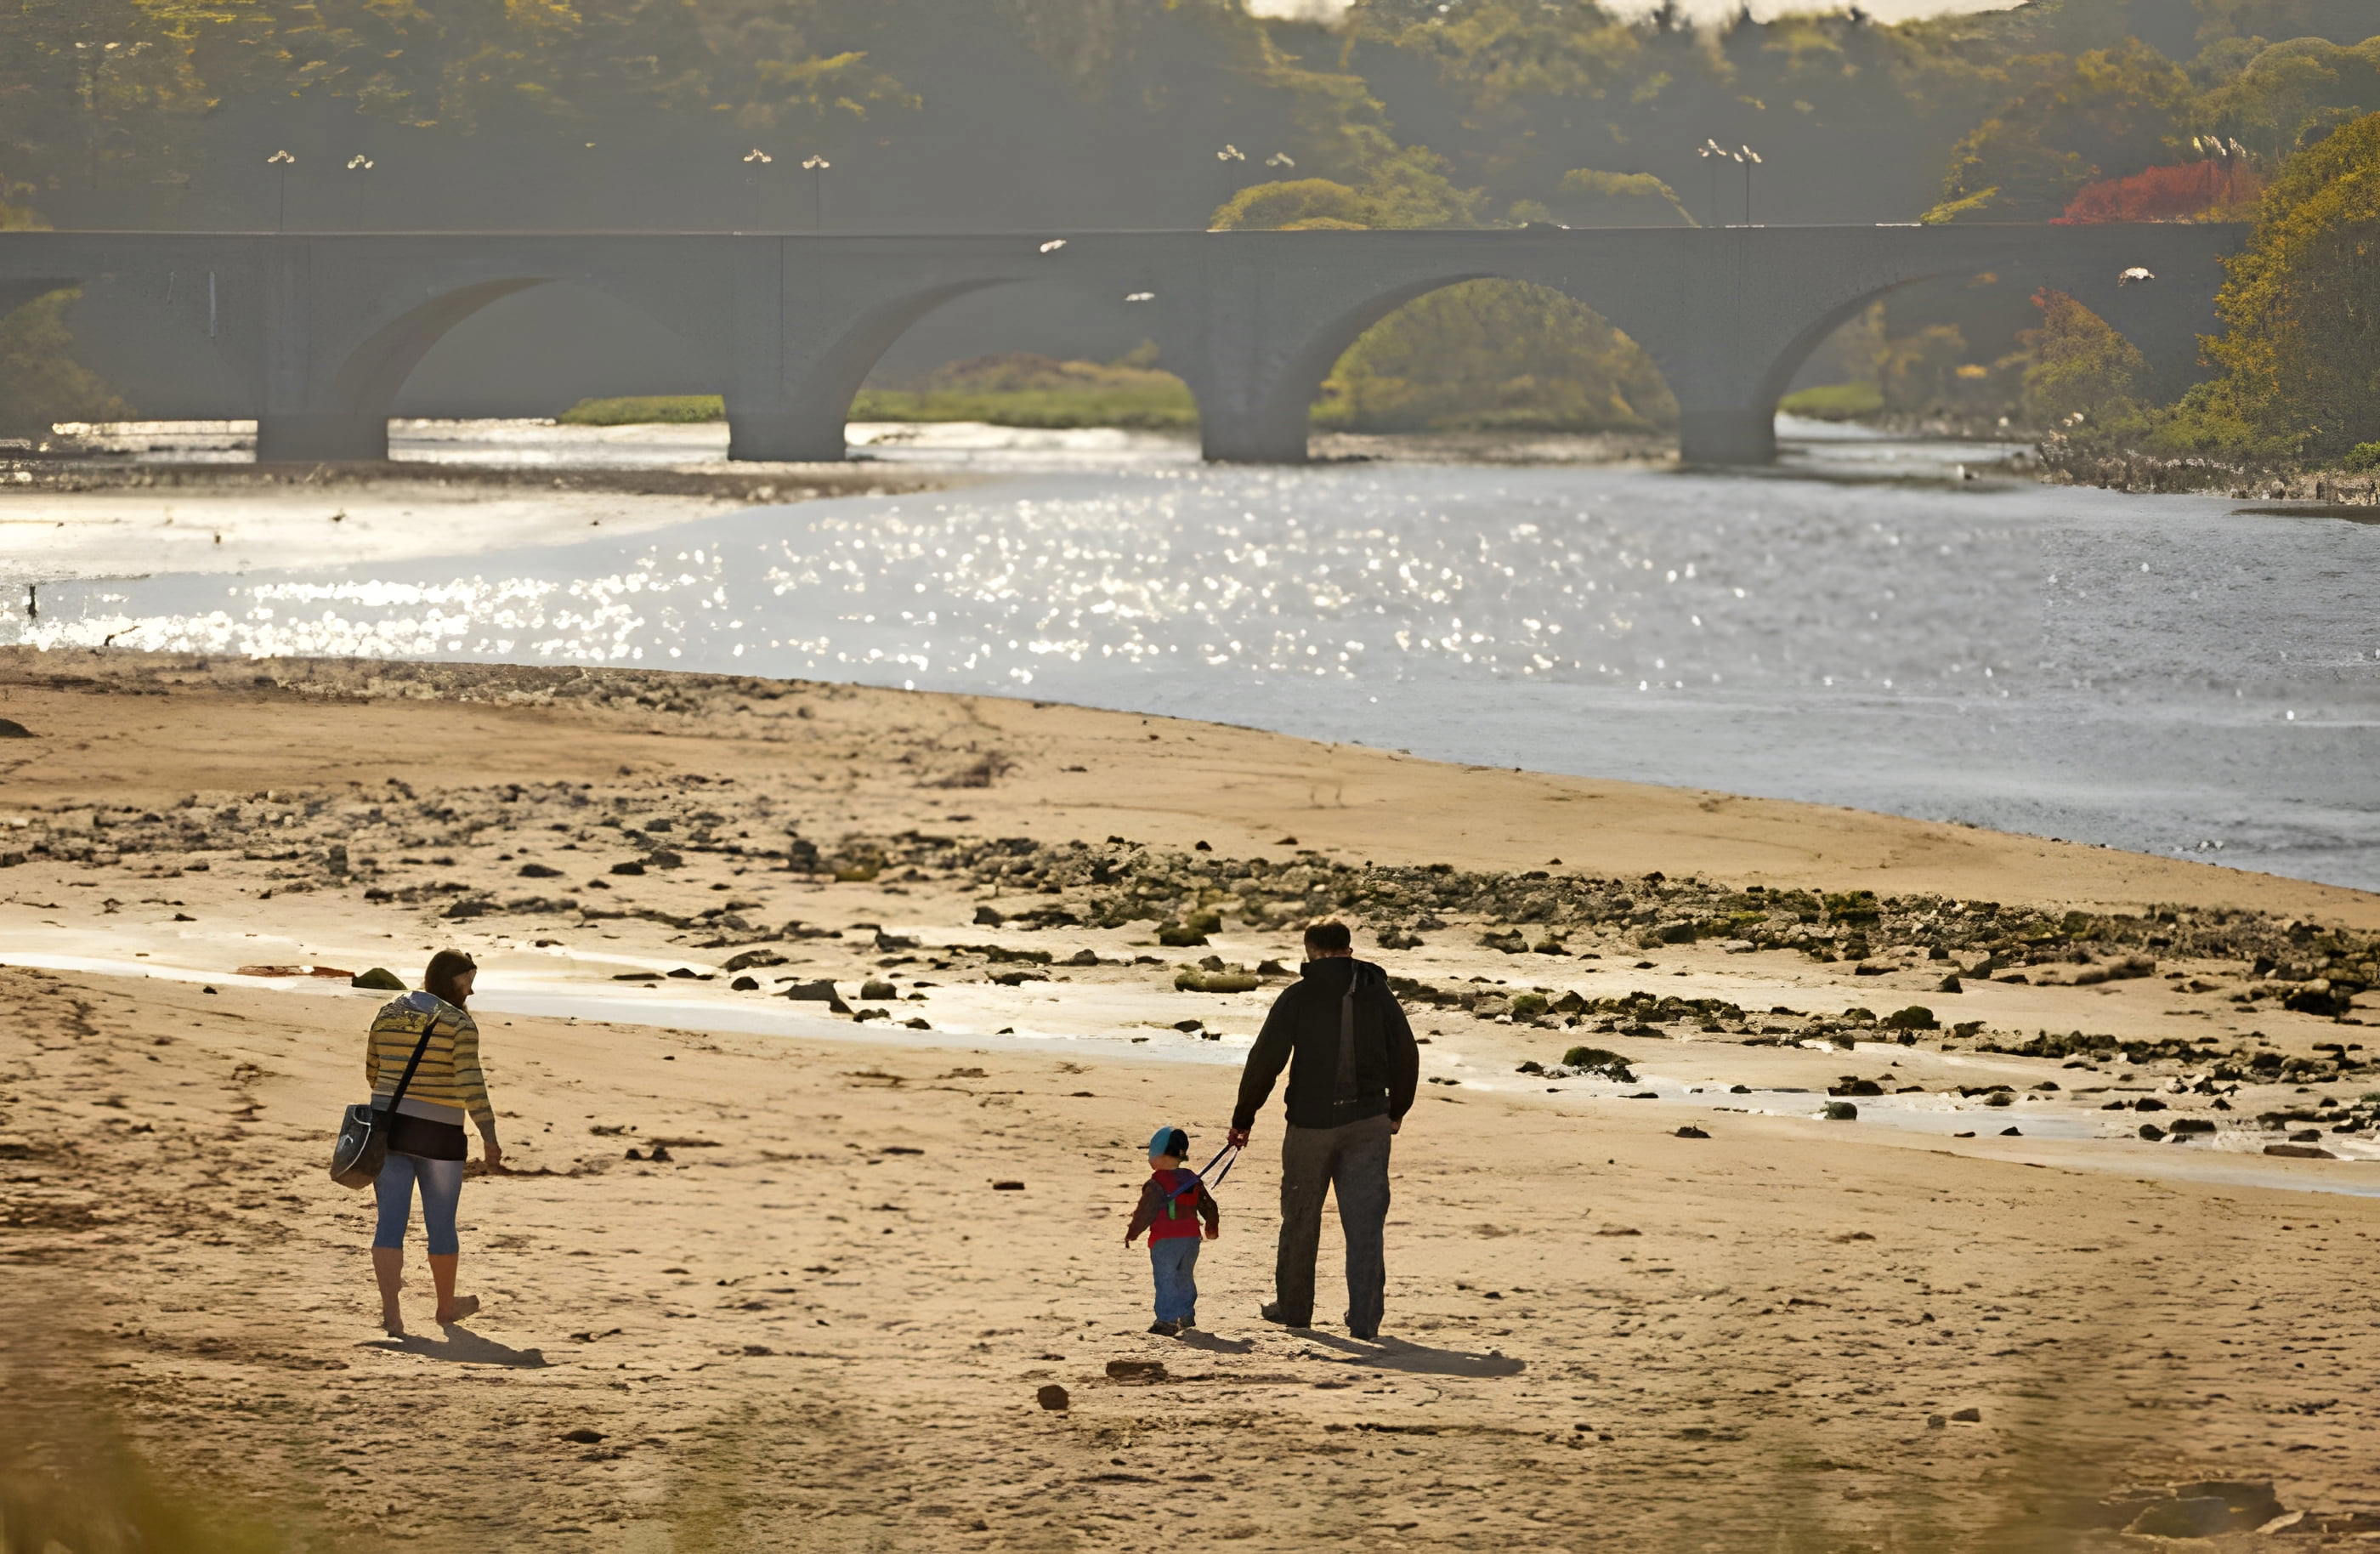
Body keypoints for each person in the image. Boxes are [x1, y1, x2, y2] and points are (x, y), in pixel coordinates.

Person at [1227, 918, 1418, 1341]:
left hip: (1309, 1126)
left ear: (1310, 950)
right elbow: (1406, 1052)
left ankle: (1294, 1311)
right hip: (1369, 1123)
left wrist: (1244, 1118)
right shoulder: (1379, 993)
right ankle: (1365, 1321)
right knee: (1365, 1225)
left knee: (1300, 1218)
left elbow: (1265, 1061)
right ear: (1348, 949)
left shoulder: (1298, 995)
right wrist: (1397, 1109)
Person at [366, 950, 502, 1334]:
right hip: (439, 1136)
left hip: (388, 1129)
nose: (471, 993)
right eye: (469, 983)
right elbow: (471, 1084)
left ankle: (392, 1314)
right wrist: (489, 1136)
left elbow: (372, 1070)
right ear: (455, 982)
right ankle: (445, 1308)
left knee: (389, 1224)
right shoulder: (460, 1024)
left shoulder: (388, 1012)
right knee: (441, 1225)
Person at [1124, 1126, 1220, 1336]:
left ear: (1158, 1156)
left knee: (1166, 1278)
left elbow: (1145, 1211)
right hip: (1191, 1240)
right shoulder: (1191, 1178)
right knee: (1184, 1276)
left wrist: (1133, 1232)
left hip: (1165, 1240)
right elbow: (1208, 1205)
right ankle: (1186, 1316)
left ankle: (1166, 1320)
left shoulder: (1157, 1183)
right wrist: (1212, 1227)